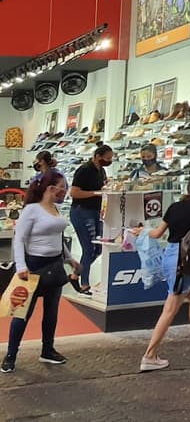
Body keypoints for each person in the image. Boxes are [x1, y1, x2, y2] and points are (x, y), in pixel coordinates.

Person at [139, 173, 190, 372]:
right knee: (170, 309)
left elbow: (157, 233)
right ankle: (149, 355)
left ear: (188, 188)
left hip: (172, 255)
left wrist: (141, 231)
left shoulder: (174, 207)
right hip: (184, 262)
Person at [2, 170, 81, 373]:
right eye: (62, 187)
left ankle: (47, 350)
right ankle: (11, 355)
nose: (65, 191)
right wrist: (21, 266)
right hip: (33, 267)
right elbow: (19, 239)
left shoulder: (55, 209)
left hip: (54, 267)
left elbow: (58, 237)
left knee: (51, 312)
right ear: (50, 188)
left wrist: (69, 258)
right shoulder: (31, 210)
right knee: (22, 314)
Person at [68, 144, 112, 295]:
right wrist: (95, 193)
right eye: (107, 158)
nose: (109, 161)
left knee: (98, 248)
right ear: (98, 156)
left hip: (95, 212)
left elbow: (101, 188)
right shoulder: (84, 170)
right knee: (89, 248)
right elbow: (74, 193)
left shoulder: (102, 171)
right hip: (81, 212)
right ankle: (84, 284)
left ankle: (75, 275)